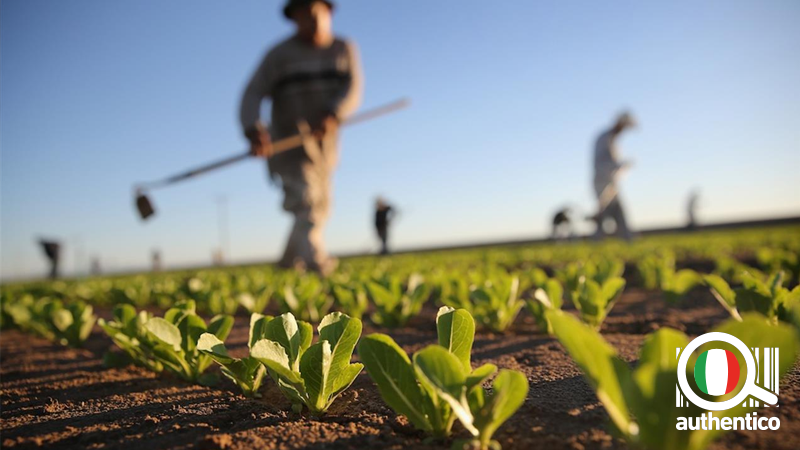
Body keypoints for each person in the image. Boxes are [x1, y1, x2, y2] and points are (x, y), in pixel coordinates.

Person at [240, 0, 362, 276]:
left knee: (320, 205)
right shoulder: (278, 55)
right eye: (305, 16)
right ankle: (317, 264)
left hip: (325, 147)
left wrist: (334, 113)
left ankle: (286, 263)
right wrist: (252, 128)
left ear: (329, 13)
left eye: (317, 14)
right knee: (305, 201)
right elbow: (252, 93)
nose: (313, 21)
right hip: (288, 143)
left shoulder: (343, 49)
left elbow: (352, 87)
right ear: (294, 19)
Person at [591, 112, 636, 241]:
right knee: (604, 213)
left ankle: (627, 239)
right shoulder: (604, 138)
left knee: (618, 211)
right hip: (602, 182)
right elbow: (602, 162)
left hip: (611, 183)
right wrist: (621, 164)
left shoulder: (613, 140)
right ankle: (597, 241)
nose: (624, 130)